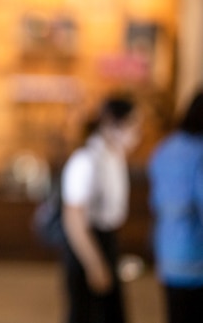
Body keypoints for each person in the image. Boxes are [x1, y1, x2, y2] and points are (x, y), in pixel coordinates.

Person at [60, 94, 140, 323]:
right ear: (112, 123)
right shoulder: (86, 160)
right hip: (87, 244)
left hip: (108, 240)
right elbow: (73, 218)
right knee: (86, 313)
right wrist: (94, 263)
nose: (137, 132)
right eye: (133, 124)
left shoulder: (113, 156)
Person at [147, 90, 203, 323]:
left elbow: (156, 198)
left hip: (167, 249)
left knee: (176, 313)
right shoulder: (200, 152)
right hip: (196, 253)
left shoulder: (165, 148)